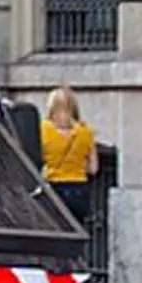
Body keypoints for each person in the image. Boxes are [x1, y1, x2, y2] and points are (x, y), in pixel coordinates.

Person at [39, 85, 98, 224]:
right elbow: (93, 169)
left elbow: (38, 158)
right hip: (79, 190)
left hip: (54, 188)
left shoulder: (43, 130)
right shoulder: (86, 132)